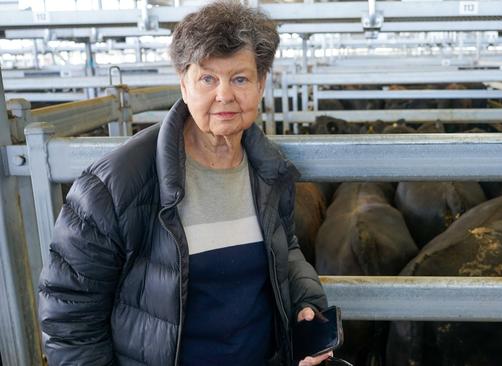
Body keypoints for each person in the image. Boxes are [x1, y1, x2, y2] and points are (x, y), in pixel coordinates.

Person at [38, 2, 331, 365]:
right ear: (183, 82)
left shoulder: (270, 170)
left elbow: (284, 247)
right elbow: (70, 316)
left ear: (261, 83)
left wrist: (306, 303)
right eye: (208, 78)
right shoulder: (113, 186)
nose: (224, 95)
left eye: (239, 78)